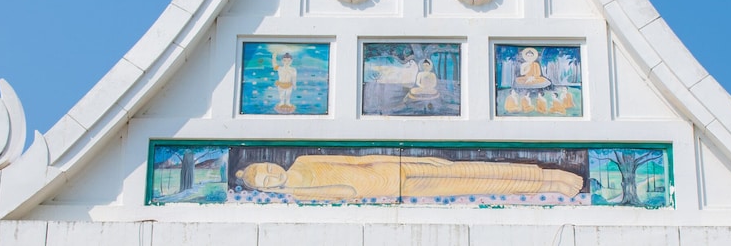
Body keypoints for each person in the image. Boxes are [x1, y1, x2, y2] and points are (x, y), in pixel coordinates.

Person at [236, 154, 583, 200]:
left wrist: (418, 158)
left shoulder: (303, 160)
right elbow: (343, 194)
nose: (272, 176)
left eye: (267, 170)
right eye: (265, 181)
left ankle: (551, 174)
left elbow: (358, 161)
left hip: (395, 168)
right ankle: (551, 186)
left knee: (471, 170)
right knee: (479, 184)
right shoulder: (298, 196)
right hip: (395, 191)